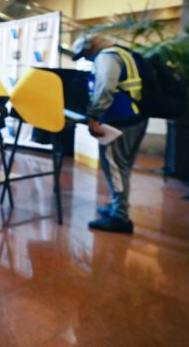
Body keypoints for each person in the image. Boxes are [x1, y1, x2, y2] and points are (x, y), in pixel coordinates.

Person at [72, 34, 148, 234]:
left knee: (114, 168)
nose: (86, 58)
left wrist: (94, 116)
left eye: (86, 53)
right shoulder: (125, 53)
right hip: (136, 118)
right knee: (123, 168)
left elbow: (105, 87)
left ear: (95, 43)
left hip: (119, 121)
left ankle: (120, 218)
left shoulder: (106, 57)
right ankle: (117, 207)